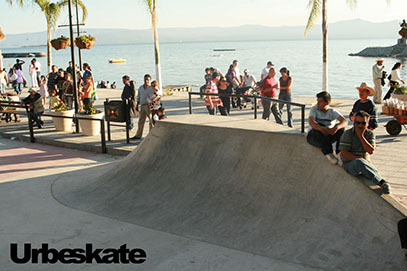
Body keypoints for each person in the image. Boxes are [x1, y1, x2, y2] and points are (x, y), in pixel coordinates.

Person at [339, 110, 390, 194]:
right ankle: (381, 182)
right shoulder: (348, 134)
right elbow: (344, 153)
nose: (360, 125)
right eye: (357, 123)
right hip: (350, 164)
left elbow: (370, 151)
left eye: (363, 123)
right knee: (359, 162)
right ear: (354, 123)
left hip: (364, 163)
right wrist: (358, 159)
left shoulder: (369, 134)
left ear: (367, 124)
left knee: (363, 164)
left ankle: (381, 181)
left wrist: (361, 136)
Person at [307, 91, 348, 164]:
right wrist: (321, 128)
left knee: (341, 129)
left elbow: (345, 121)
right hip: (315, 136)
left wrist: (336, 127)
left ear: (327, 103)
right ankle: (328, 152)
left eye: (320, 101)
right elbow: (311, 122)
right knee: (318, 127)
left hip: (327, 135)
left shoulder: (332, 111)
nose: (318, 103)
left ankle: (339, 153)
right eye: (317, 101)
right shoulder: (314, 109)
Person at [132, 74, 154, 140]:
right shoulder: (141, 88)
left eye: (148, 79)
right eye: (145, 79)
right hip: (142, 105)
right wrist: (136, 105)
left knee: (151, 121)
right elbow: (138, 97)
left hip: (148, 105)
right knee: (141, 121)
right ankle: (138, 135)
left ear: (150, 80)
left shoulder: (151, 88)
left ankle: (151, 135)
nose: (146, 81)